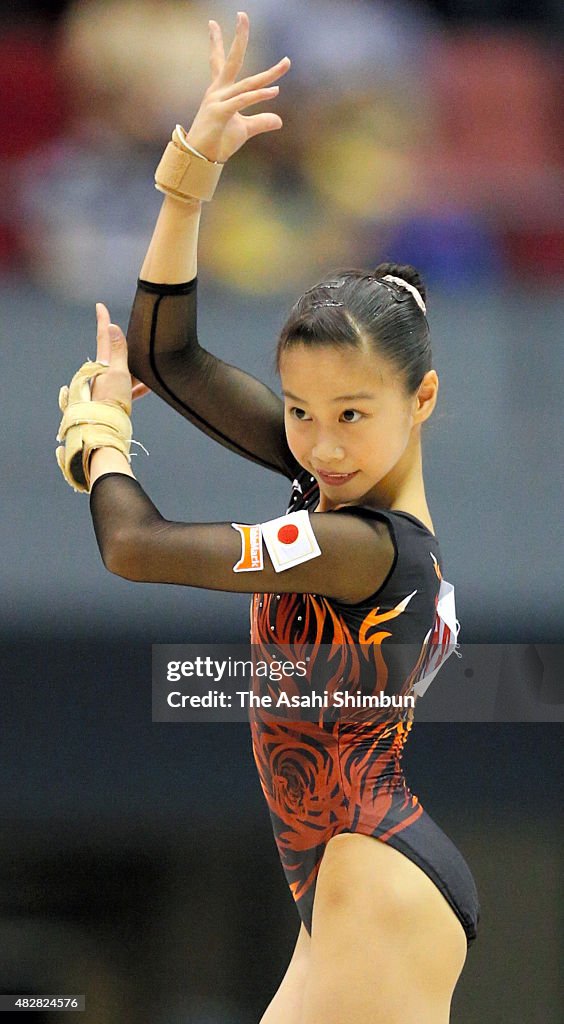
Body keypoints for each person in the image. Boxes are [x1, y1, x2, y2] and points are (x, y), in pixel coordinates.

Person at [56, 12, 480, 1023]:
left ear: (419, 402)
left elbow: (138, 548)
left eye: (351, 417)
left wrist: (97, 439)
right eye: (301, 413)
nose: (321, 444)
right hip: (348, 880)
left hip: (378, 879)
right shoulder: (331, 490)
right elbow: (172, 356)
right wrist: (191, 170)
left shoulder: (357, 547)